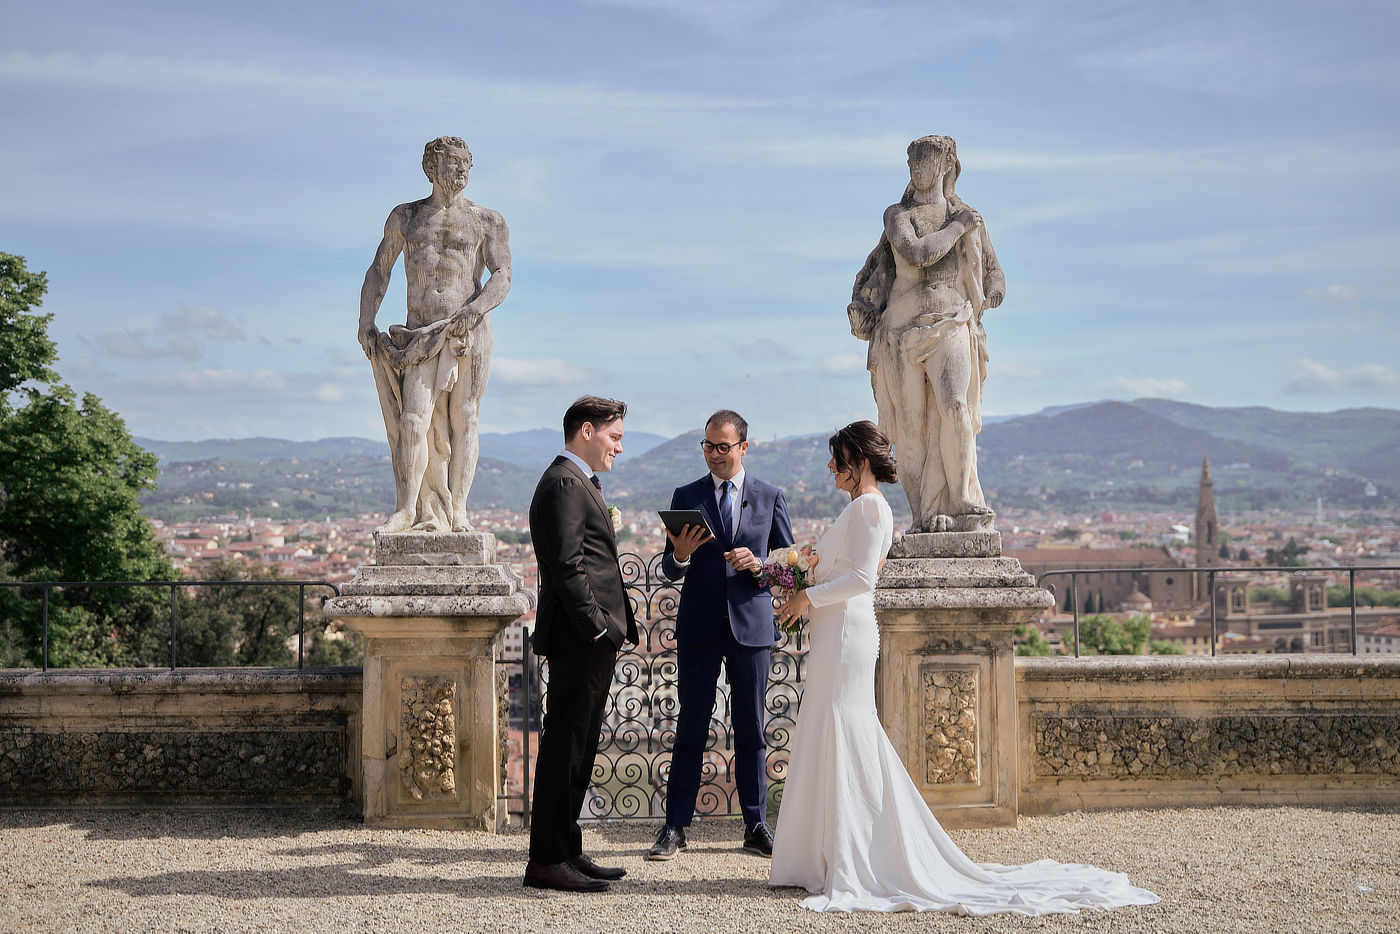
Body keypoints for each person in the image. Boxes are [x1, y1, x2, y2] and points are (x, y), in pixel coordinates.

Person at [768, 420, 1159, 915]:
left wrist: (807, 595)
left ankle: (854, 854)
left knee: (846, 728)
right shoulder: (863, 507)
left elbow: (865, 578)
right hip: (837, 632)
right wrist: (798, 576)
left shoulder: (869, 507)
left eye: (837, 457)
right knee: (832, 727)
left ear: (859, 460)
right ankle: (826, 853)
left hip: (846, 632)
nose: (830, 466)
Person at [648, 410, 794, 860]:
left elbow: (789, 570)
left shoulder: (771, 496)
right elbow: (670, 567)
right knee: (690, 728)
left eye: (723, 447)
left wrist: (759, 564)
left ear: (743, 447)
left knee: (751, 729)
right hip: (699, 628)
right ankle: (675, 827)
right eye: (708, 446)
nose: (714, 454)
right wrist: (680, 555)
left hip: (751, 627)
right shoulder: (686, 496)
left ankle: (756, 824)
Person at [358, 136, 512, 534]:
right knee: (413, 420)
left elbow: (502, 275)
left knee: (466, 417)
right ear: (431, 167)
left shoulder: (487, 221)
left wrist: (474, 310)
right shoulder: (406, 217)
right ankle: (407, 509)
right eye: (453, 162)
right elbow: (380, 269)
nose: (461, 169)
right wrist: (366, 320)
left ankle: (458, 510)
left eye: (466, 163)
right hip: (419, 334)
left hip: (468, 329)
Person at [848, 135, 1000, 533]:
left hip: (951, 320)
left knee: (955, 408)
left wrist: (995, 289)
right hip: (900, 332)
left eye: (926, 163)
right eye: (912, 163)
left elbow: (992, 269)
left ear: (946, 165)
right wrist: (958, 227)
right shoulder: (899, 215)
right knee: (911, 425)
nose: (917, 170)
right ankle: (924, 514)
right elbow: (916, 254)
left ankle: (962, 499)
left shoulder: (970, 217)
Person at [525, 396, 639, 893]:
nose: (619, 447)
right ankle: (547, 859)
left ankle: (567, 848)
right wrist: (597, 627)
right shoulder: (564, 485)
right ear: (586, 431)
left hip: (586, 639)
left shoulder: (576, 481)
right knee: (565, 747)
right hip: (580, 639)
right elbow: (568, 566)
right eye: (615, 437)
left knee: (579, 745)